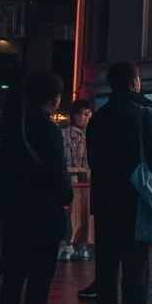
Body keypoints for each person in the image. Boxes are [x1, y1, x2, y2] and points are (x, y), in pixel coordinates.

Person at [87, 60, 152, 304]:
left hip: (104, 200)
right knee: (136, 264)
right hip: (135, 199)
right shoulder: (143, 114)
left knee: (107, 266)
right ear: (135, 82)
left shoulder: (98, 117)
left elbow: (93, 160)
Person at [0, 72, 73, 304]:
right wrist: (66, 194)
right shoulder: (48, 129)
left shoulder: (12, 126)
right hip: (44, 211)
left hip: (15, 210)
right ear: (54, 98)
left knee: (14, 270)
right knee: (41, 272)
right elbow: (57, 171)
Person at [62, 100, 94, 262]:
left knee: (80, 215)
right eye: (86, 113)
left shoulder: (85, 135)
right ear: (77, 116)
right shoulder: (68, 136)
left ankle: (74, 244)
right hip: (74, 183)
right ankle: (73, 244)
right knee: (75, 215)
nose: (89, 117)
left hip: (81, 184)